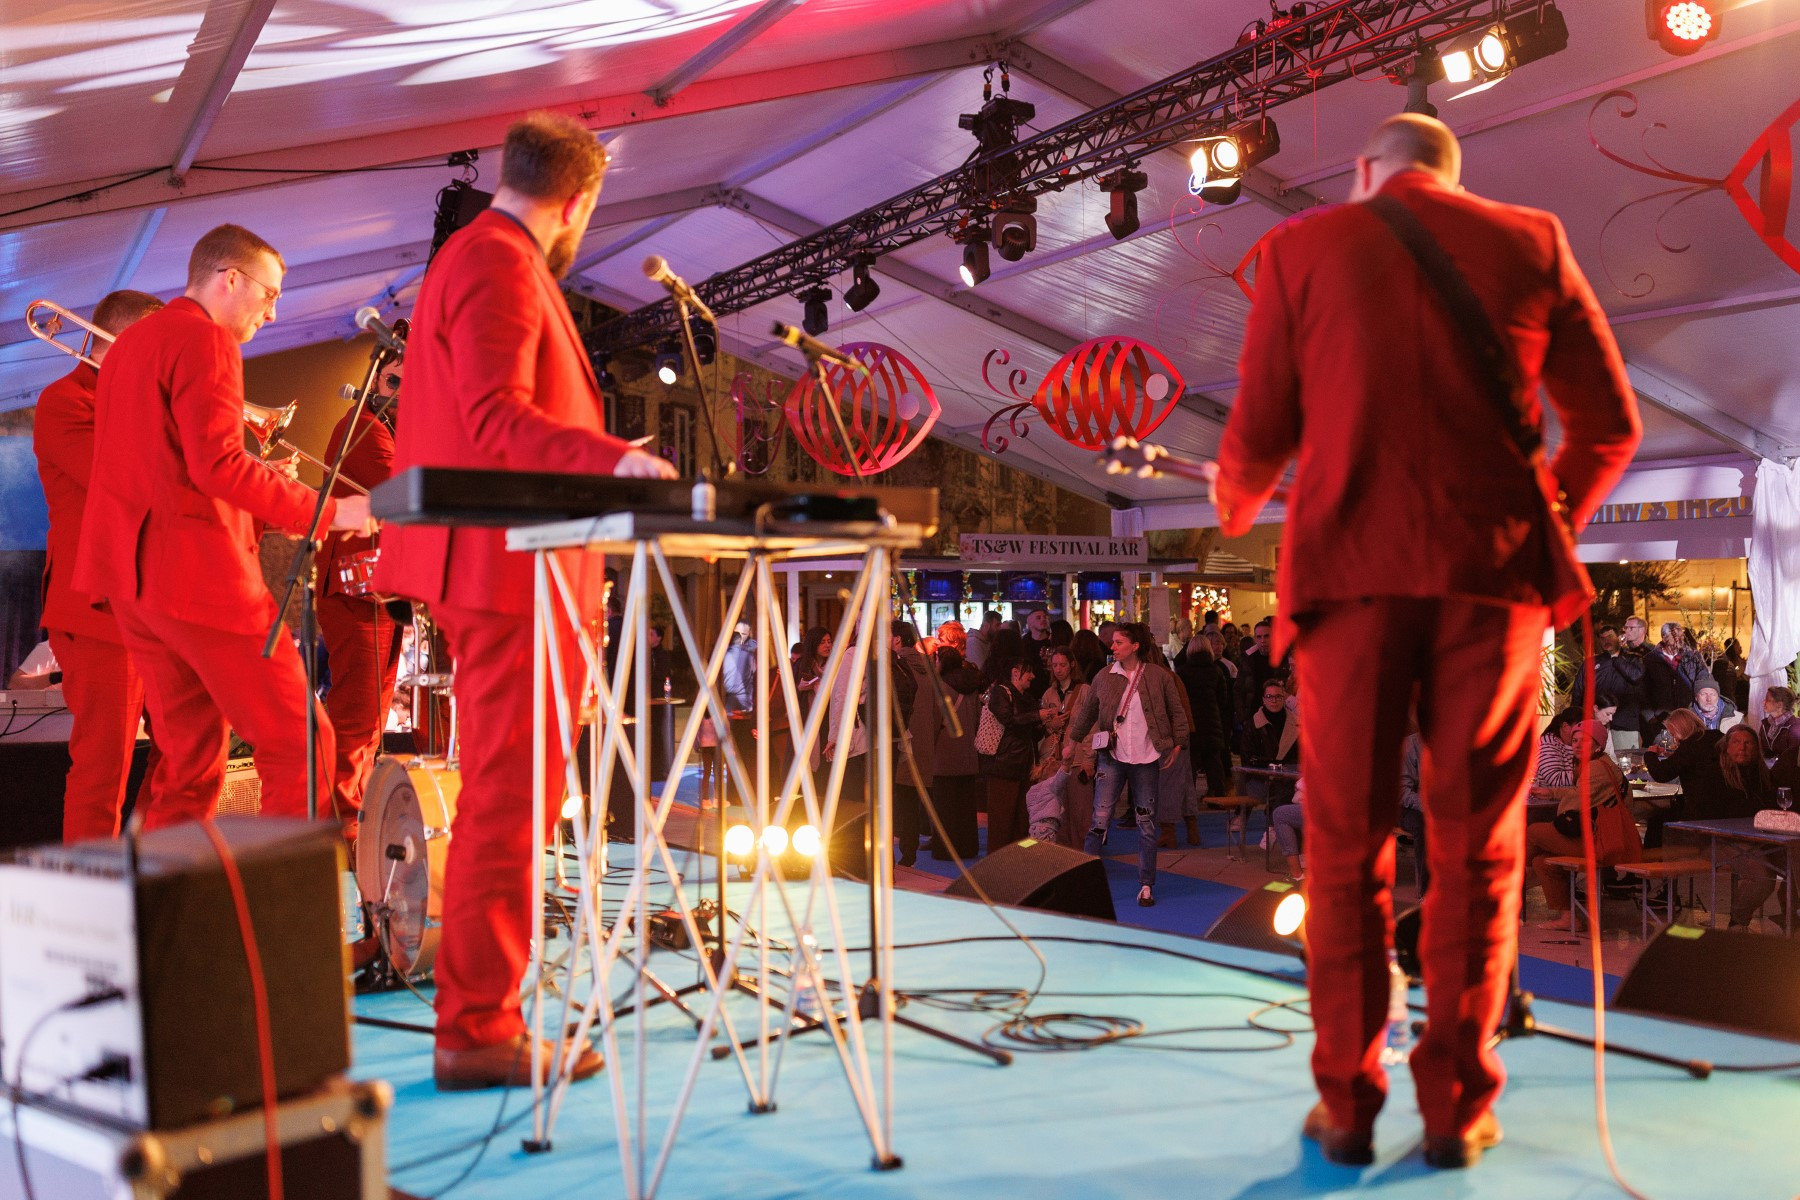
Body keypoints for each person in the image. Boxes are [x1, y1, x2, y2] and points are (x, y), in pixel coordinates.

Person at [1211, 113, 1639, 1168]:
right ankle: (1456, 1108)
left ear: (1367, 171)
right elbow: (1610, 427)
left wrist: (1235, 495)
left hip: (1349, 580)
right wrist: (1547, 515)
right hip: (1491, 584)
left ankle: (1348, 1104)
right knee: (1479, 850)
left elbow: (1259, 431)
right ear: (1453, 175)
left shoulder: (1303, 247)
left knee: (1344, 849)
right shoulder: (1532, 240)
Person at [375, 113, 675, 1091]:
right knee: (511, 803)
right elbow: (497, 415)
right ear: (581, 199)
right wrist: (615, 459)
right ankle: (478, 1028)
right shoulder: (499, 260)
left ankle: (480, 1019)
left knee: (514, 798)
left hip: (503, 566)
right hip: (511, 570)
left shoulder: (478, 255)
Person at [76, 227, 373, 828]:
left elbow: (159, 470)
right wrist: (330, 510)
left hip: (134, 583)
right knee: (303, 741)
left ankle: (173, 890)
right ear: (230, 278)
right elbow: (218, 466)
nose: (273, 311)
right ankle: (286, 891)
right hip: (198, 577)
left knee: (189, 765)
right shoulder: (206, 339)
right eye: (270, 294)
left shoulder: (129, 347)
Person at [32, 288, 168, 842]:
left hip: (155, 605)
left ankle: (156, 864)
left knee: (189, 748)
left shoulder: (146, 402)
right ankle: (90, 888)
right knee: (102, 768)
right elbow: (121, 484)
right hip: (98, 609)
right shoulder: (64, 400)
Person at [316, 350, 406, 847]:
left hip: (379, 590)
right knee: (358, 713)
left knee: (373, 713)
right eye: (395, 381)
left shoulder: (388, 425)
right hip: (356, 589)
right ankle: (339, 825)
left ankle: (356, 816)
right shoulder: (364, 427)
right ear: (376, 380)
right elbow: (402, 487)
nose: (403, 393)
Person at [1068, 623, 1189, 907]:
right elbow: (1087, 713)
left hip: (1147, 758)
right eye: (1113, 642)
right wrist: (1072, 743)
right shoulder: (1104, 676)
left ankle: (1146, 885)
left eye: (1119, 642)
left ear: (1135, 646)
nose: (1113, 647)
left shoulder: (1159, 676)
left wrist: (1178, 743)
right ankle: (1085, 881)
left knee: (1146, 824)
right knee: (1099, 820)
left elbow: (1177, 711)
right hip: (1112, 757)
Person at [1525, 722, 1641, 927]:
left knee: (1533, 831)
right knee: (1542, 861)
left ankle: (1516, 876)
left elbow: (1575, 802)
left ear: (1598, 745)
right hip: (1604, 839)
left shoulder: (1595, 768)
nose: (1577, 745)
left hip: (1601, 844)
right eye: (1575, 740)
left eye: (1584, 741)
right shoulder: (1601, 764)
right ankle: (1567, 918)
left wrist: (1558, 801)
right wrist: (1551, 793)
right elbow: (1580, 792)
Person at [927, 645, 988, 860]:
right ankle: (967, 847)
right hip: (968, 754)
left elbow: (935, 721)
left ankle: (945, 850)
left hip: (945, 754)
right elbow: (978, 719)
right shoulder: (971, 686)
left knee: (945, 806)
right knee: (966, 806)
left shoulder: (941, 687)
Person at [977, 657, 1042, 851]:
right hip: (1003, 766)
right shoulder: (1000, 692)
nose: (1033, 676)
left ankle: (1019, 860)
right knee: (1001, 823)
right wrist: (1038, 716)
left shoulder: (1027, 698)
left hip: (1024, 766)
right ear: (1015, 672)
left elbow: (1031, 732)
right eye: (1028, 671)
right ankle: (998, 863)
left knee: (1023, 821)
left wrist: (1046, 724)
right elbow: (1009, 720)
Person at [890, 621, 938, 867]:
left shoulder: (897, 666)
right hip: (925, 741)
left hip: (902, 740)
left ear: (897, 639)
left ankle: (903, 853)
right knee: (913, 798)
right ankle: (910, 852)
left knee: (899, 799)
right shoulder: (929, 668)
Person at [1039, 647, 1094, 847]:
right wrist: (1050, 724)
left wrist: (1089, 759)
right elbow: (1044, 729)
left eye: (1062, 665)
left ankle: (1082, 853)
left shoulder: (1084, 691)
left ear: (1071, 665)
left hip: (1078, 759)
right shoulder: (1049, 694)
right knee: (1058, 810)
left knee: (1081, 811)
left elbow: (1092, 727)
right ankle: (1063, 853)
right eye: (1054, 665)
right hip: (1055, 761)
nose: (1058, 669)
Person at [1573, 624, 1647, 751]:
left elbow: (1636, 676)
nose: (1606, 641)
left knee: (1627, 761)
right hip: (1595, 725)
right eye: (1602, 638)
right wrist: (1576, 719)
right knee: (1597, 760)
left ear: (1619, 638)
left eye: (1610, 637)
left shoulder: (1633, 659)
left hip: (1624, 724)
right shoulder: (1591, 663)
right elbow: (1578, 692)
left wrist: (1616, 658)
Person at [1178, 636, 1230, 799]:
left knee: (1190, 762)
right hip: (1212, 721)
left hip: (1190, 721)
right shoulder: (1217, 670)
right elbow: (1223, 700)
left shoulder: (1183, 672)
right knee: (1213, 760)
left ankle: (1188, 798)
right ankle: (1218, 795)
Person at [1643, 622, 1711, 739]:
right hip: (1661, 720)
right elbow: (1642, 691)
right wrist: (1649, 716)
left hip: (1688, 719)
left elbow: (1704, 683)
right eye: (1675, 635)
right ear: (1664, 638)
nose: (1679, 639)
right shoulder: (1650, 660)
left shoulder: (1693, 658)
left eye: (1681, 635)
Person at [1533, 707, 1581, 788]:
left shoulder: (1573, 743)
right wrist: (1589, 774)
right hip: (1547, 795)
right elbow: (1555, 779)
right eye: (1579, 728)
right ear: (1565, 726)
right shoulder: (1547, 743)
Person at [722, 621, 757, 713]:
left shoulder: (725, 655)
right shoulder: (748, 654)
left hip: (729, 697)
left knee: (728, 718)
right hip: (744, 697)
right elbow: (754, 670)